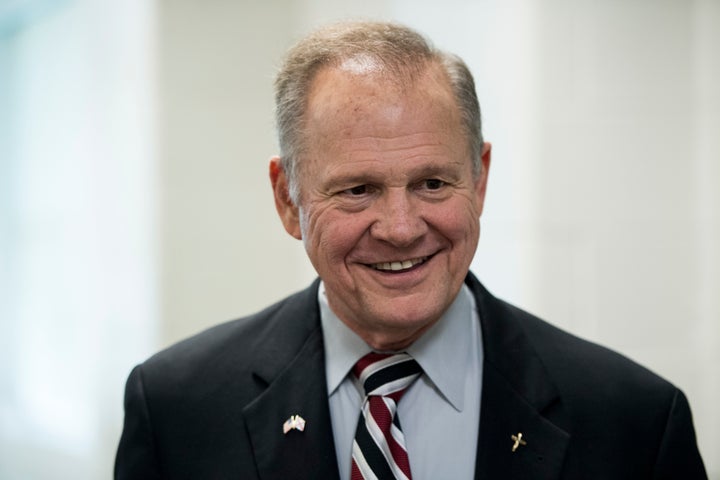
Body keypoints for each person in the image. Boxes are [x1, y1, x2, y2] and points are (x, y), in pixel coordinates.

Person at [115, 21, 707, 480]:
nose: (400, 228)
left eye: (432, 183)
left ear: (479, 179)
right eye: (358, 189)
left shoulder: (636, 422)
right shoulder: (176, 408)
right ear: (288, 199)